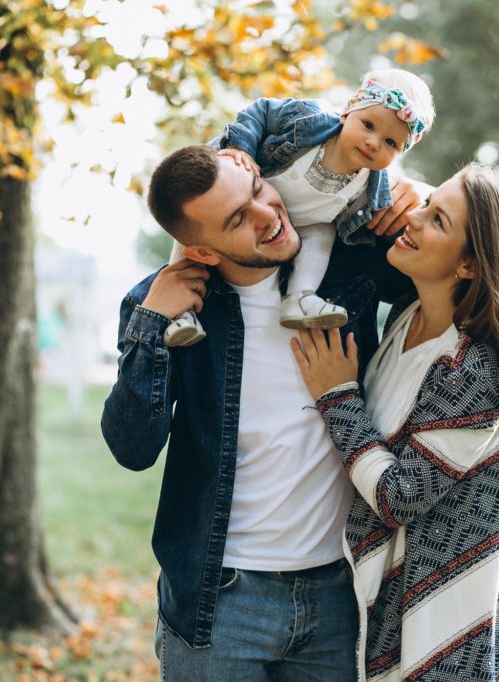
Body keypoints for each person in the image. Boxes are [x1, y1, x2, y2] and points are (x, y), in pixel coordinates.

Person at [100, 144, 420, 680]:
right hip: (221, 603)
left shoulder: (345, 271)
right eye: (237, 220)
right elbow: (131, 447)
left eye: (256, 192)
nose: (268, 214)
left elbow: (449, 268)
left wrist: (409, 193)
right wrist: (152, 321)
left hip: (340, 595)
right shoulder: (163, 305)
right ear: (200, 251)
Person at [291, 163, 499, 681]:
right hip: (390, 603)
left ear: (469, 264)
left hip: (449, 630)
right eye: (425, 206)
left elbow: (401, 496)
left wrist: (336, 395)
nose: (413, 220)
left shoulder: (476, 369)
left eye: (437, 220)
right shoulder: (405, 319)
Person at [163, 68, 435, 346]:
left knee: (322, 234)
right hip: (253, 185)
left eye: (390, 142)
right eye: (368, 125)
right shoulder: (309, 120)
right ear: (347, 111)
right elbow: (261, 111)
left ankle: (299, 296)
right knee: (191, 233)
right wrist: (240, 148)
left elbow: (401, 221)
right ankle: (179, 312)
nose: (373, 142)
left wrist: (428, 199)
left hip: (303, 222)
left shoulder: (372, 189)